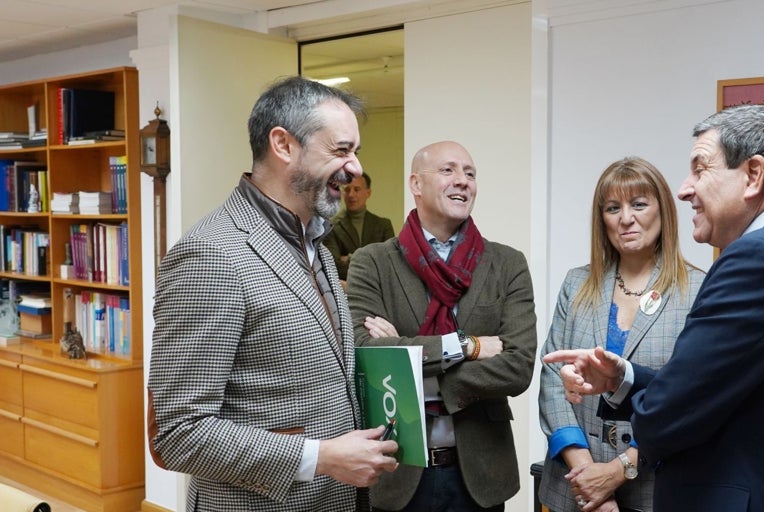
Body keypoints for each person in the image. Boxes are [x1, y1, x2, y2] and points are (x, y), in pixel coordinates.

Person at [543, 104, 764, 512]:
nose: (686, 189)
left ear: (753, 175)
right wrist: (624, 377)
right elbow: (728, 393)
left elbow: (668, 413)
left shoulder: (760, 259)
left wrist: (632, 443)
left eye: (700, 169)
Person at [147, 76, 398, 512]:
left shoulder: (313, 240)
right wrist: (319, 458)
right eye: (341, 150)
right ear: (283, 145)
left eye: (355, 152)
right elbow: (178, 433)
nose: (355, 168)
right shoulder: (211, 255)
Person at [345, 140, 537, 511]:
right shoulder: (373, 263)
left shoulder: (507, 264)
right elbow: (364, 353)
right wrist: (467, 346)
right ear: (416, 184)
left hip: (481, 477)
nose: (462, 181)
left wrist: (409, 364)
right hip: (398, 471)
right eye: (448, 170)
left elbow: (518, 366)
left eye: (470, 173)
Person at [538, 157, 705, 512]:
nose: (626, 218)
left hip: (655, 489)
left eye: (639, 204)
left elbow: (691, 398)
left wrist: (619, 470)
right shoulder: (576, 284)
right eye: (613, 208)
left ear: (663, 211)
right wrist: (588, 478)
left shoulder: (699, 290)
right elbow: (553, 380)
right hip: (574, 491)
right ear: (603, 220)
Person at [322, 171, 395, 281]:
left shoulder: (383, 225)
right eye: (347, 190)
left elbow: (390, 264)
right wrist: (374, 263)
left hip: (377, 293)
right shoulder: (330, 225)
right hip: (346, 293)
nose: (351, 194)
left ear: (368, 193)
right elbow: (333, 266)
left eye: (357, 189)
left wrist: (349, 258)